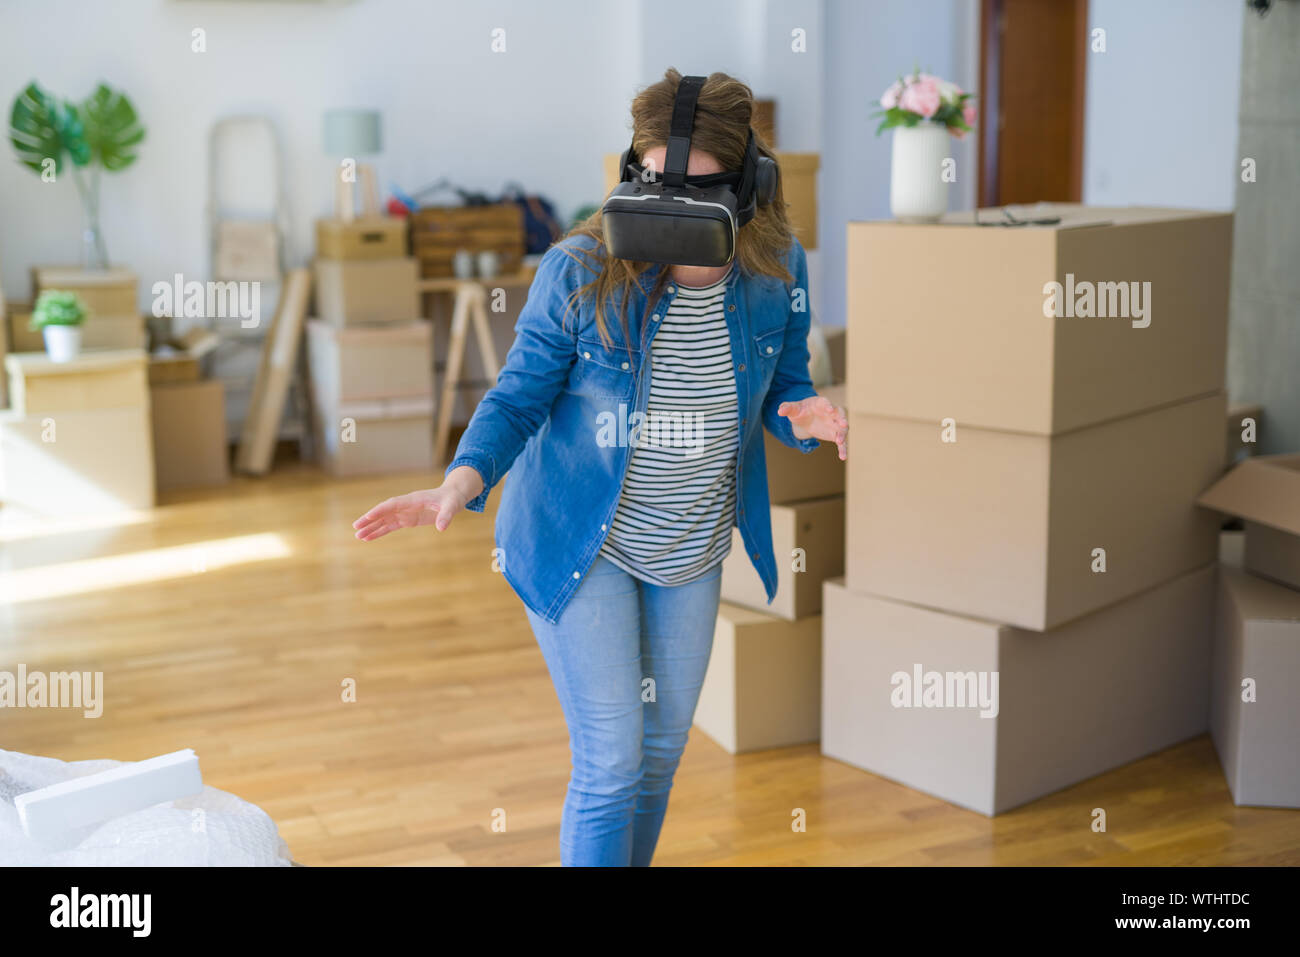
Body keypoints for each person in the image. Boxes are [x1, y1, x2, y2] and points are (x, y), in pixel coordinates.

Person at [353, 68, 848, 867]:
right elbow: (518, 396)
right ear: (630, 174)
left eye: (700, 190)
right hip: (582, 539)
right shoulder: (580, 269)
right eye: (656, 186)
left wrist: (801, 411)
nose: (674, 211)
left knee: (659, 754)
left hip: (688, 544)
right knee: (613, 757)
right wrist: (460, 479)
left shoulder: (776, 266)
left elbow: (783, 380)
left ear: (750, 183)